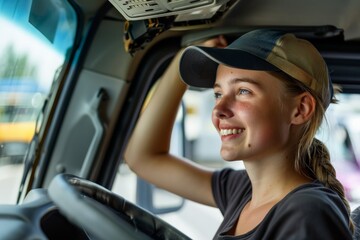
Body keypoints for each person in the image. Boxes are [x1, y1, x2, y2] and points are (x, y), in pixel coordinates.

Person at [124, 29, 354, 239]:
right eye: (217, 94)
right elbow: (143, 158)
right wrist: (181, 60)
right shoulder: (243, 190)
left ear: (300, 109)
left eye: (243, 91)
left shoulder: (307, 213)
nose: (218, 110)